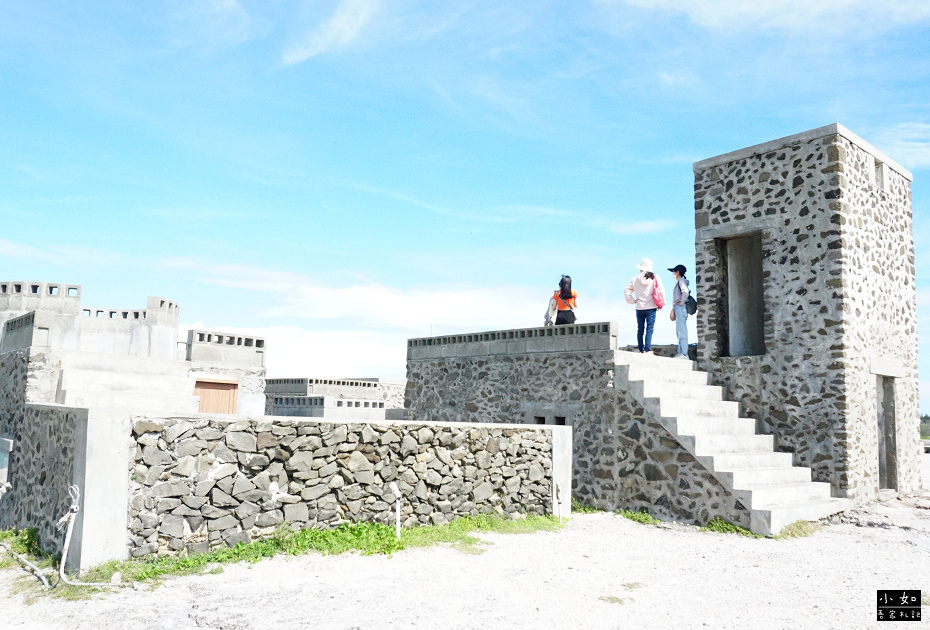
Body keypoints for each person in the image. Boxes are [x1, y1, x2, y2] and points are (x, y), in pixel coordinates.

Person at [624, 259, 664, 354]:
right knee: (649, 329)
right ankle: (648, 349)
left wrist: (632, 300)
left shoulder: (635, 279)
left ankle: (641, 350)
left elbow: (626, 290)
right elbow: (661, 290)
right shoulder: (655, 277)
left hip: (639, 307)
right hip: (651, 307)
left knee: (640, 329)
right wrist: (662, 302)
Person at [668, 264, 690, 359]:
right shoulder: (680, 281)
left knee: (681, 330)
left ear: (678, 272)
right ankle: (681, 352)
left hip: (680, 307)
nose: (673, 273)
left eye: (674, 271)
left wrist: (681, 302)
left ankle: (684, 353)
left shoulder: (681, 281)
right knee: (680, 330)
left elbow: (685, 292)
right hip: (679, 307)